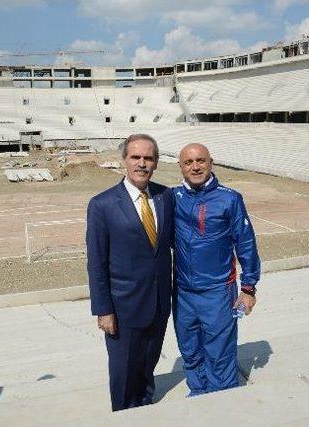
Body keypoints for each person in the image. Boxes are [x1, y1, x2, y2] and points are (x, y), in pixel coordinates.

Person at [86, 134, 174, 411]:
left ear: (156, 163)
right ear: (124, 160)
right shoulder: (102, 204)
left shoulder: (166, 196)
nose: (142, 163)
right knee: (124, 373)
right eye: (135, 157)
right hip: (123, 307)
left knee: (148, 366)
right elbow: (97, 262)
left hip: (159, 302)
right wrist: (104, 310)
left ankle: (145, 408)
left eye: (148, 158)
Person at [173, 143, 261, 396]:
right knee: (190, 350)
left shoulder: (229, 198)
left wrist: (248, 288)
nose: (195, 166)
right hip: (183, 293)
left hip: (218, 292)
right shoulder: (173, 198)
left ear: (211, 162)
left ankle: (222, 403)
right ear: (180, 167)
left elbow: (246, 243)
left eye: (200, 160)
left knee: (219, 352)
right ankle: (199, 395)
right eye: (188, 162)